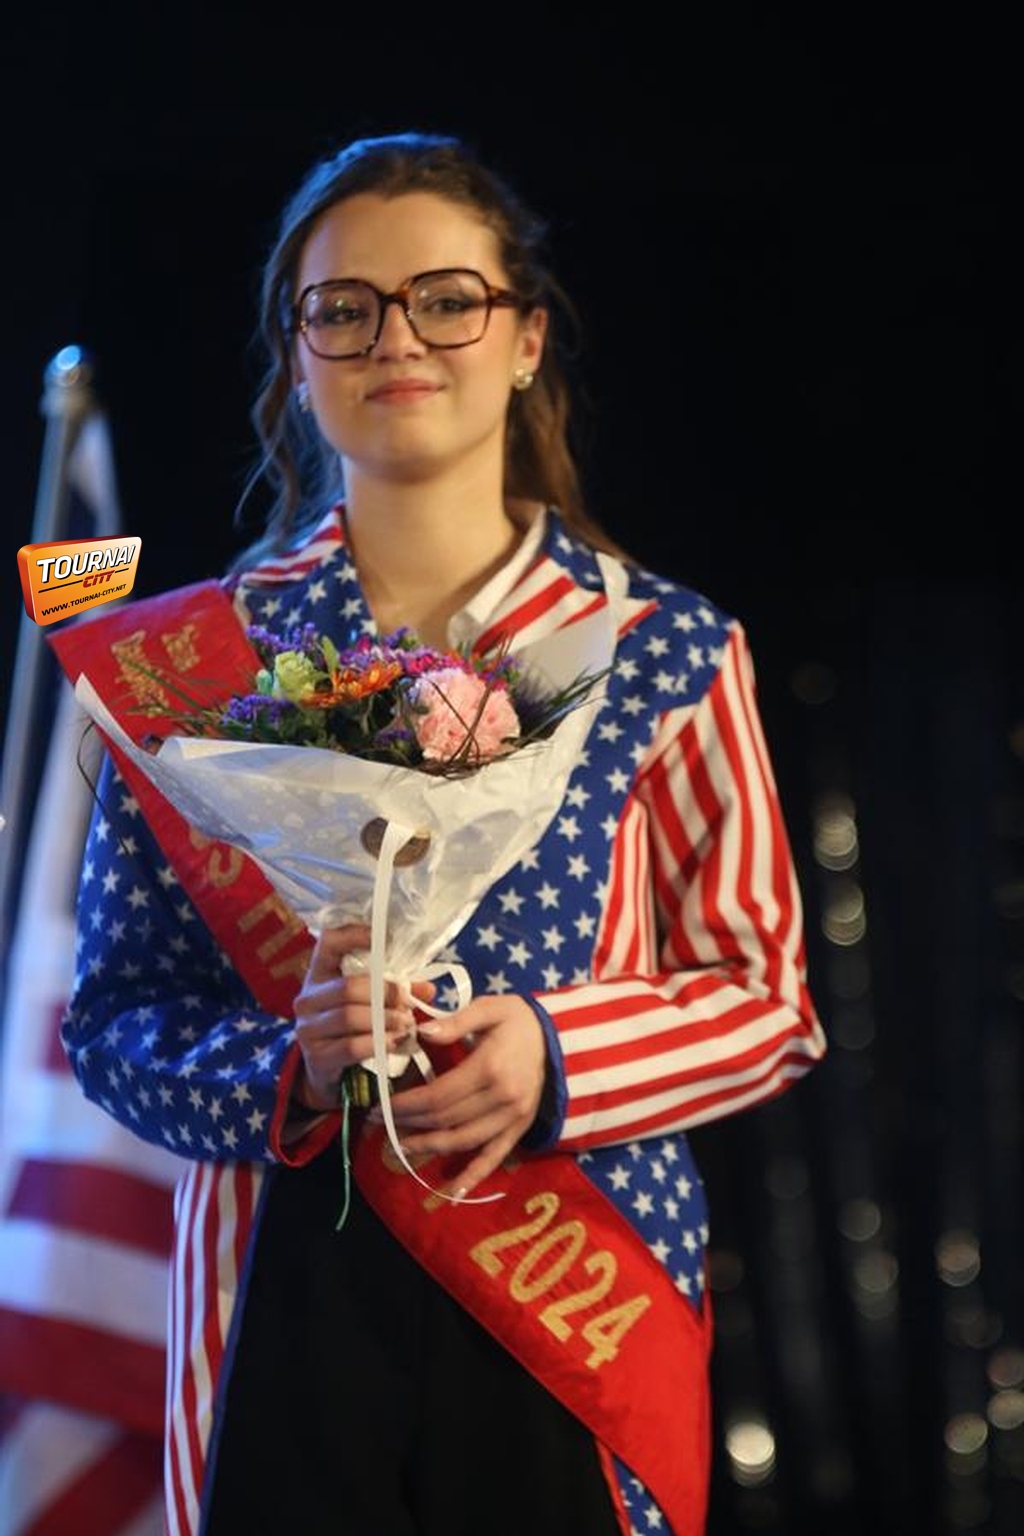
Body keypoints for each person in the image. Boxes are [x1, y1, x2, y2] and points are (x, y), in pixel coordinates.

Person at [58, 131, 826, 1536]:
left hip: (572, 1288)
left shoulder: (665, 648)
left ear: (526, 340)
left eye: (447, 300)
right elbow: (115, 1022)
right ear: (294, 357)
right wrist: (289, 1069)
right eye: (343, 308)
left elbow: (765, 1000)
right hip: (278, 1291)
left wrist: (554, 1054)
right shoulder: (189, 666)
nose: (395, 339)